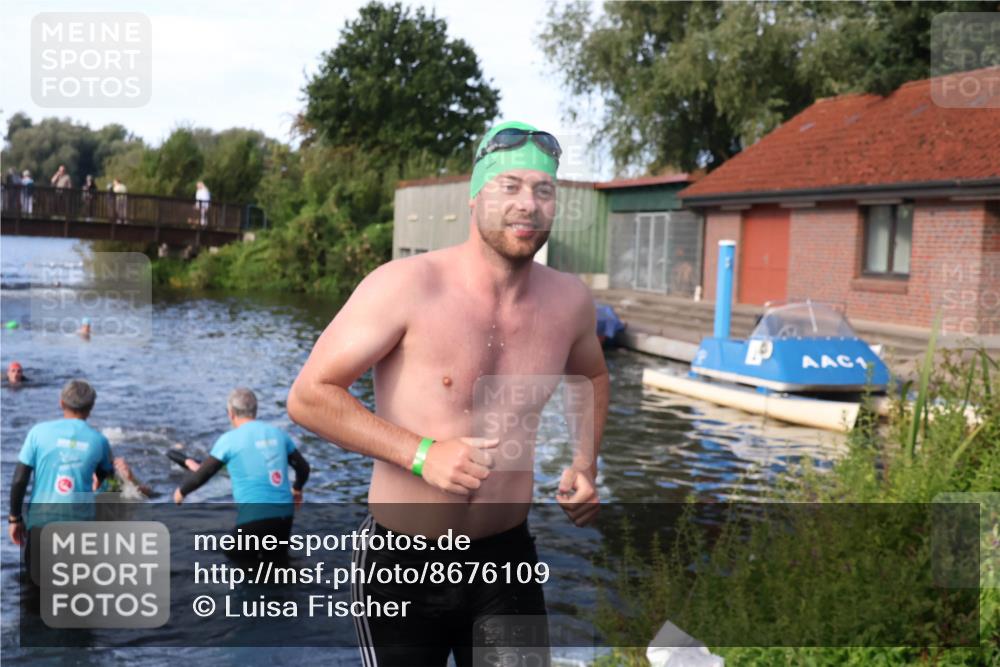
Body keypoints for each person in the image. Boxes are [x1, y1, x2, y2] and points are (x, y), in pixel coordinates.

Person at [287, 120, 609, 665]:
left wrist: (585, 462)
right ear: (475, 196)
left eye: (543, 190)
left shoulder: (570, 302)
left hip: (506, 561)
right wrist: (422, 454)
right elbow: (309, 396)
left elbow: (593, 377)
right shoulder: (406, 285)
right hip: (401, 564)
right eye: (510, 186)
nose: (528, 204)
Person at [174, 388, 310, 562]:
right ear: (255, 410)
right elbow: (303, 468)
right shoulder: (278, 434)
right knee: (277, 561)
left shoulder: (229, 440)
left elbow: (204, 474)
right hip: (285, 515)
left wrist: (181, 492)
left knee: (234, 557)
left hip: (254, 517)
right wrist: (297, 489)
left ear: (231, 413)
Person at [8, 380, 114, 557]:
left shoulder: (38, 433)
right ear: (91, 407)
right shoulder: (99, 441)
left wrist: (15, 518)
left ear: (61, 403)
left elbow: (20, 479)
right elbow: (111, 485)